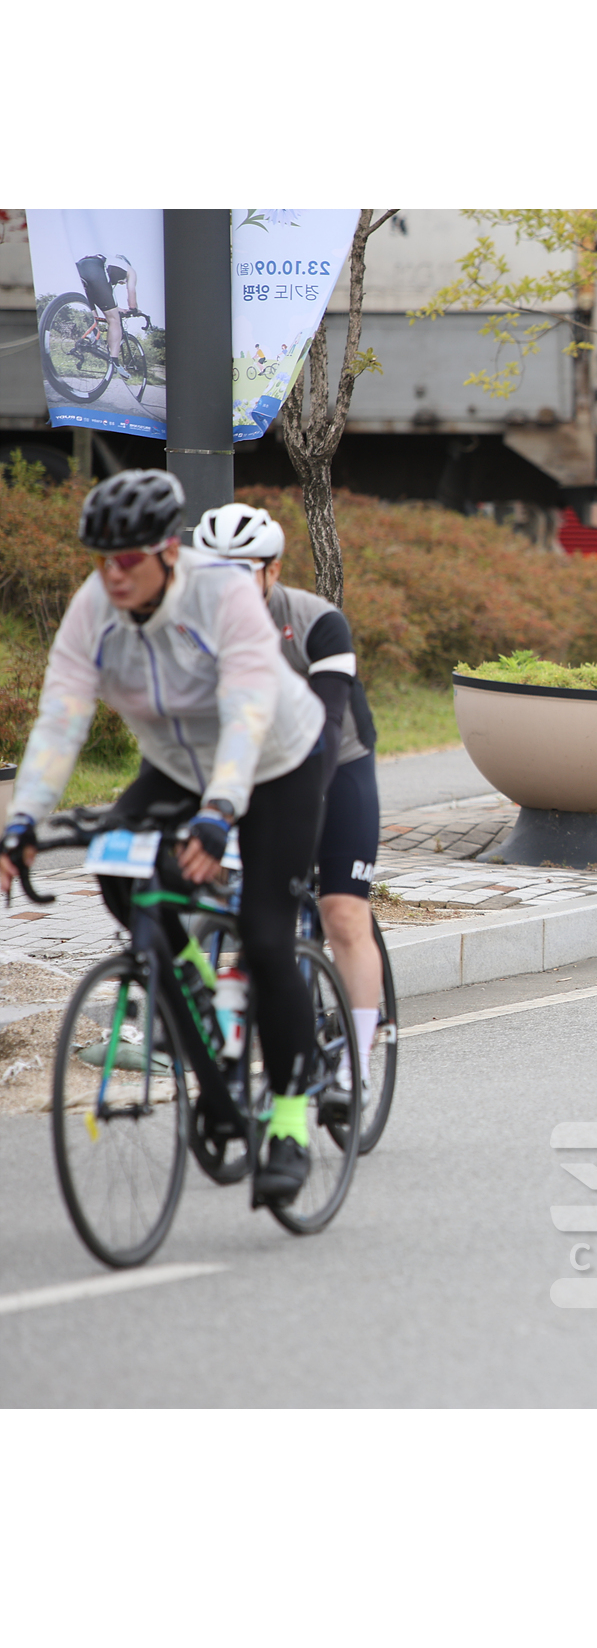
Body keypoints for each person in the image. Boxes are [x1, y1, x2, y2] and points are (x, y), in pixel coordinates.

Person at [0, 471, 329, 1202]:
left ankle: (289, 1120)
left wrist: (220, 812)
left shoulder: (222, 596)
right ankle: (196, 1004)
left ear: (167, 552)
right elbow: (61, 717)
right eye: (101, 560)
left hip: (276, 761)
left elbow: (247, 710)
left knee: (266, 936)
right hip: (177, 768)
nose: (113, 575)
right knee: (120, 873)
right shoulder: (94, 610)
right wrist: (23, 821)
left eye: (127, 559)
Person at [194, 505, 385, 1091]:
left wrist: (298, 814)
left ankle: (357, 1062)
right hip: (252, 767)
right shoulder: (192, 630)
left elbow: (325, 727)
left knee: (342, 912)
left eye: (240, 572)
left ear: (272, 571)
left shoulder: (316, 621)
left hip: (336, 762)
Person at [73, 250, 138, 367]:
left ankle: (89, 340)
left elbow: (104, 299)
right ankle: (114, 362)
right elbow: (131, 293)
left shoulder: (109, 262)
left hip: (80, 267)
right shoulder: (130, 270)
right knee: (114, 320)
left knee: (94, 317)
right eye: (122, 282)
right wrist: (133, 309)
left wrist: (118, 309)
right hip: (95, 271)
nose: (121, 283)